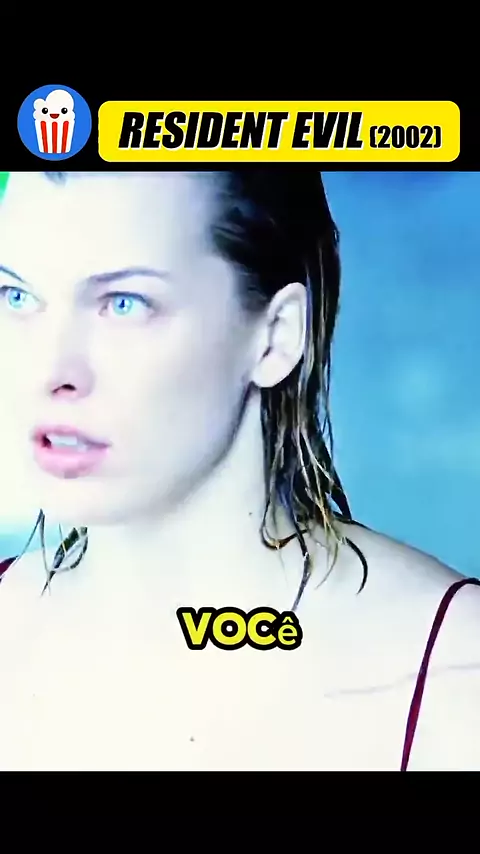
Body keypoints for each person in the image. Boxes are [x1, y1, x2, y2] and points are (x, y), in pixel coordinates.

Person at [0, 169, 479, 772]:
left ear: (276, 336)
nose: (51, 371)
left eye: (124, 304)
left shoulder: (454, 681)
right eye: (16, 296)